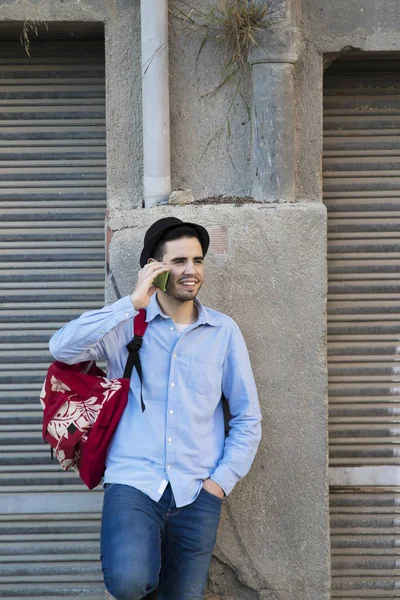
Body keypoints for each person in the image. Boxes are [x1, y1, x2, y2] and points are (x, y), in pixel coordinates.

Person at [49, 216, 262, 600]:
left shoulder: (224, 332)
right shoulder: (125, 327)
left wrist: (218, 484)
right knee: (130, 583)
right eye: (178, 261)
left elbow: (247, 417)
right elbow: (61, 347)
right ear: (155, 268)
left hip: (198, 492)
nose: (191, 271)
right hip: (133, 482)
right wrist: (131, 303)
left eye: (197, 261)